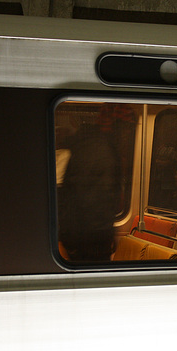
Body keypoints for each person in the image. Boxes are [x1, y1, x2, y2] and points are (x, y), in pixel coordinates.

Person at [57, 108, 121, 261]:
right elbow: (100, 201)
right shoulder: (103, 152)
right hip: (92, 239)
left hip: (76, 235)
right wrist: (106, 236)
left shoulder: (81, 145)